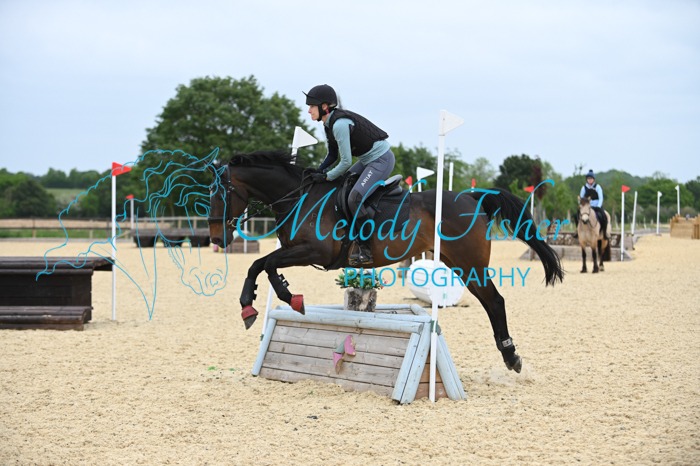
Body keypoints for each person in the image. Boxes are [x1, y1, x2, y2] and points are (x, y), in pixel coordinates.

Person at [304, 84, 395, 265]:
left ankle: (366, 247)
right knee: (341, 186)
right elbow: (332, 156)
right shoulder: (328, 124)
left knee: (354, 197)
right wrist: (318, 171)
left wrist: (327, 176)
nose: (308, 111)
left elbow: (345, 162)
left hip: (381, 160)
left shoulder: (339, 125)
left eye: (312, 106)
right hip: (368, 160)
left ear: (324, 107)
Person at [577, 170, 608, 239]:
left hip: (597, 206)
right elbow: (581, 199)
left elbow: (601, 198)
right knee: (577, 215)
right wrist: (581, 207)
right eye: (588, 179)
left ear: (593, 179)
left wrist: (598, 206)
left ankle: (604, 233)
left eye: (591, 179)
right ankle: (577, 232)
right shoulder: (584, 188)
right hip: (586, 207)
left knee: (603, 216)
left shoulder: (597, 187)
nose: (590, 180)